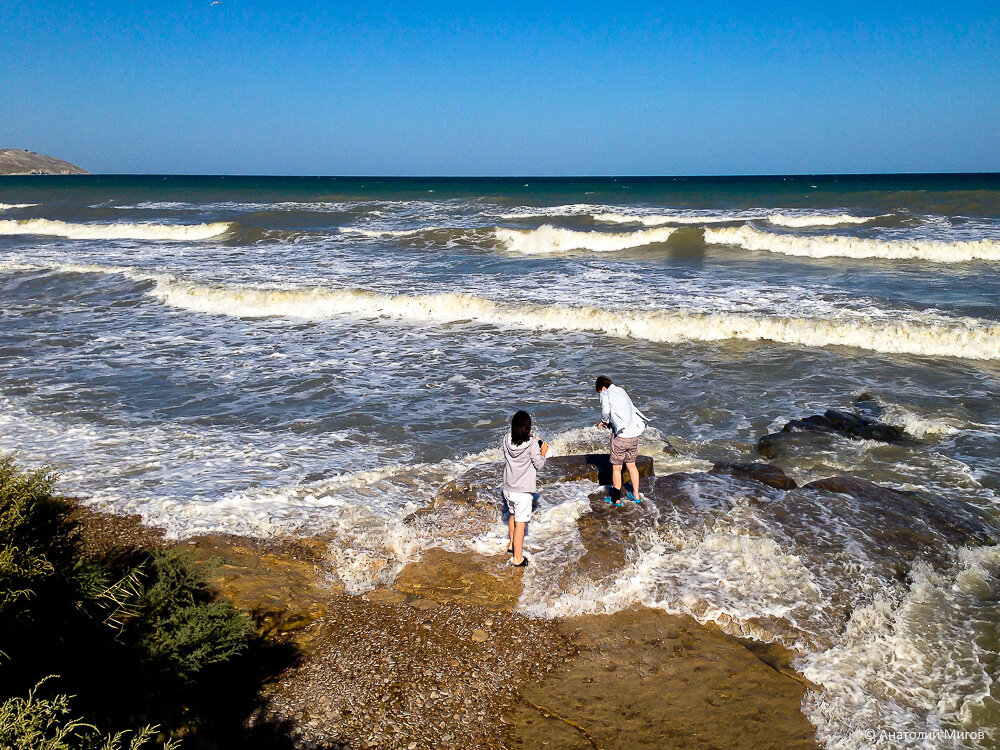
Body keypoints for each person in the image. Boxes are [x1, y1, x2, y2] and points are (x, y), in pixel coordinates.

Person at [501, 410, 548, 567]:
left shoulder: (506, 439)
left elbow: (517, 446)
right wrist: (543, 451)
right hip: (522, 492)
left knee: (513, 515)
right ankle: (518, 558)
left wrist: (534, 442)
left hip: (508, 488)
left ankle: (512, 545)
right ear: (528, 428)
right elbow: (539, 465)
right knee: (521, 524)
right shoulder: (532, 444)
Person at [595, 375, 648, 505]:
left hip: (620, 437)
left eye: (599, 392)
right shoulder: (622, 391)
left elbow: (606, 410)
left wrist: (604, 422)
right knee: (631, 466)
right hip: (633, 434)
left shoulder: (605, 393)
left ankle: (616, 498)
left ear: (602, 387)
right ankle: (636, 495)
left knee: (617, 468)